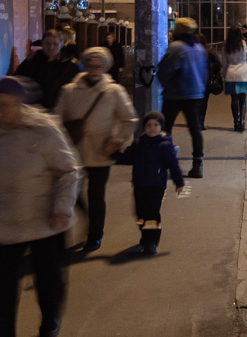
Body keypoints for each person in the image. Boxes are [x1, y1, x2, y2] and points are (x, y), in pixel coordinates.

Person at [0, 75, 82, 337]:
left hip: (45, 220)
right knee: (2, 290)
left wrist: (61, 208)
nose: (3, 111)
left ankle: (49, 323)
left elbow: (69, 170)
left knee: (48, 282)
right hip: (4, 225)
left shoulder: (43, 129)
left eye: (8, 104)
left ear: (21, 103)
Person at [53, 48, 136, 253]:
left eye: (98, 66)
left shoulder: (114, 91)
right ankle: (82, 221)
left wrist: (116, 142)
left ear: (105, 67)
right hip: (73, 152)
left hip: (101, 151)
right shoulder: (70, 90)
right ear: (85, 65)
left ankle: (95, 235)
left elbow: (129, 119)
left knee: (96, 195)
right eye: (90, 65)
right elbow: (55, 120)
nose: (94, 70)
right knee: (70, 193)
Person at [112, 111, 185, 256]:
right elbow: (128, 157)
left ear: (161, 127)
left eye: (155, 125)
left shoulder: (164, 145)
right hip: (139, 184)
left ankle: (151, 241)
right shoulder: (139, 143)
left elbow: (173, 164)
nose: (152, 128)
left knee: (151, 213)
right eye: (148, 125)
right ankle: (145, 236)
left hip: (156, 185)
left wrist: (179, 181)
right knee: (140, 213)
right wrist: (113, 155)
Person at [156, 18, 209, 179]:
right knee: (195, 130)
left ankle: (165, 163)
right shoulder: (200, 48)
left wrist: (165, 83)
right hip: (195, 95)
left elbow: (164, 70)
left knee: (166, 129)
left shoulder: (175, 47)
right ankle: (197, 164)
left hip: (174, 94)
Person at [15, 30, 80, 111]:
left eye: (55, 44)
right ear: (42, 43)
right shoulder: (32, 62)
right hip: (34, 111)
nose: (51, 47)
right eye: (47, 43)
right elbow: (18, 80)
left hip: (59, 112)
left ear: (61, 44)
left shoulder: (70, 65)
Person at [220, 26, 247, 132]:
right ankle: (242, 121)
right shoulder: (246, 43)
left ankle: (236, 122)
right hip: (243, 73)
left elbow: (224, 62)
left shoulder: (226, 45)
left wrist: (224, 74)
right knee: (243, 99)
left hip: (231, 74)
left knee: (234, 99)